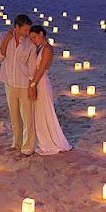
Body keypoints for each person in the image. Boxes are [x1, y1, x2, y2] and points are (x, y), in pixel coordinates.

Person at [0, 14, 36, 157]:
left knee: (27, 116)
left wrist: (32, 86)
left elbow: (31, 65)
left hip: (24, 83)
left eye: (28, 30)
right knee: (14, 116)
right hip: (9, 82)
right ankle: (16, 144)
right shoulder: (3, 36)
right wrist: (7, 40)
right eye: (24, 30)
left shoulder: (29, 43)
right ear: (16, 27)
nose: (27, 33)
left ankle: (28, 147)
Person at [29, 24, 72, 155]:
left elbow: (41, 69)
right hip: (38, 81)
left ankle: (51, 142)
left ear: (42, 34)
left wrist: (33, 85)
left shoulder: (47, 49)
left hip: (41, 82)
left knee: (45, 112)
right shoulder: (40, 48)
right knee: (40, 113)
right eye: (32, 38)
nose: (34, 40)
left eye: (35, 37)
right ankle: (45, 140)